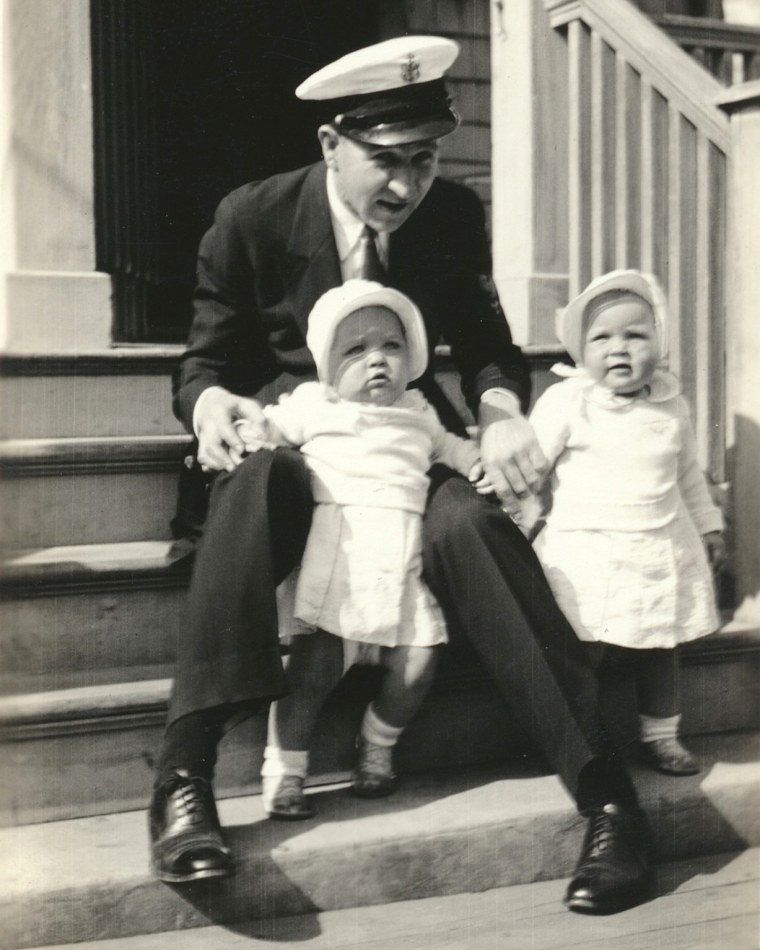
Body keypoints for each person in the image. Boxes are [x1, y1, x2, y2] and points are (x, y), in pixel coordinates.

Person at [150, 35, 654, 914]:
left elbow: (490, 350)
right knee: (257, 478)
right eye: (386, 161)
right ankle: (185, 774)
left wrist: (498, 413)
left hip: (408, 442)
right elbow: (200, 364)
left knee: (471, 523)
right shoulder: (254, 217)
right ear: (330, 145)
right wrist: (213, 407)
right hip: (295, 444)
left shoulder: (452, 215)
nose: (406, 187)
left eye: (424, 160)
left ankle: (607, 793)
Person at [232, 280, 492, 817]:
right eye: (356, 350)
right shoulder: (315, 406)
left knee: (419, 663)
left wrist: (477, 463)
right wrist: (246, 433)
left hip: (402, 571)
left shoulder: (420, 413)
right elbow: (268, 428)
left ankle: (378, 742)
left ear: (412, 357)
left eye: (391, 347)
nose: (377, 361)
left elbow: (456, 448)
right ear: (327, 366)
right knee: (309, 676)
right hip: (340, 569)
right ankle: (286, 769)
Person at [526, 270, 725, 776]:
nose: (619, 348)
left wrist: (708, 527)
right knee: (585, 643)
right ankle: (586, 735)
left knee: (662, 643)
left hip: (659, 545)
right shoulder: (567, 402)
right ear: (578, 349)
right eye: (602, 337)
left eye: (635, 335)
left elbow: (688, 478)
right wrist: (517, 512)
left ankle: (661, 734)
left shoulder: (671, 406)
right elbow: (531, 467)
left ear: (659, 344)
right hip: (587, 548)